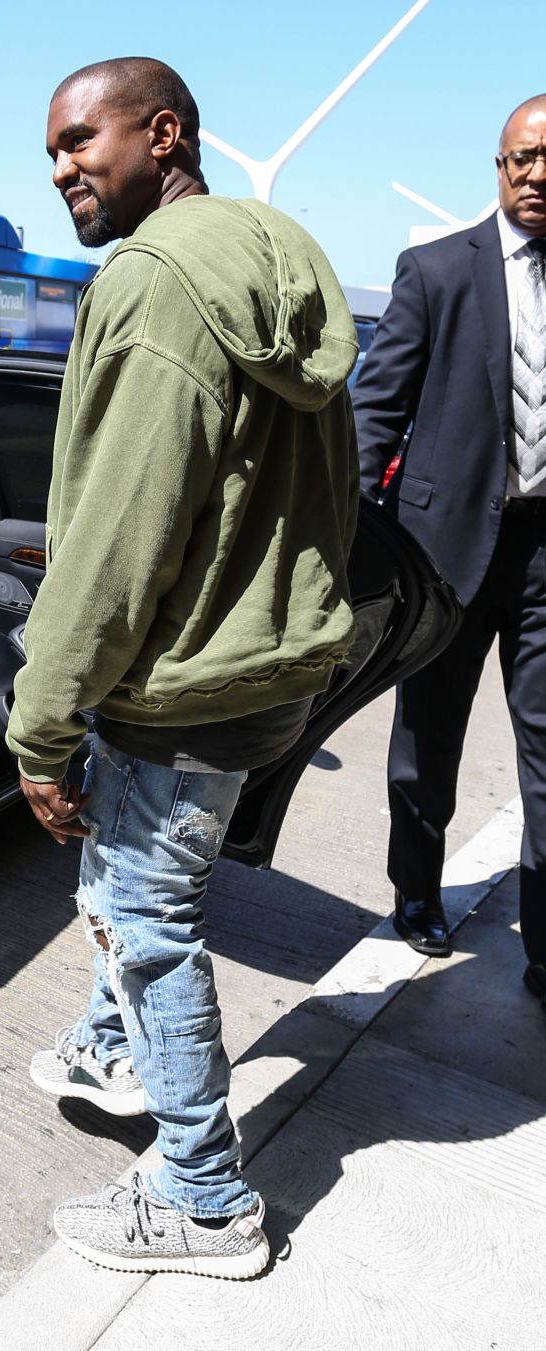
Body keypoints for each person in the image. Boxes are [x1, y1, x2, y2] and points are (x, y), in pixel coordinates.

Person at [7, 56, 360, 1278]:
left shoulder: (154, 286)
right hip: (272, 674)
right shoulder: (273, 249)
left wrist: (41, 728)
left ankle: (205, 1200)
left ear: (162, 135)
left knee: (142, 918)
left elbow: (117, 535)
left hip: (179, 691)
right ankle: (115, 1052)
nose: (61, 169)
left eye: (79, 142)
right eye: (51, 150)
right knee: (145, 899)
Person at [352, 96, 546, 1001]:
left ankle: (544, 940)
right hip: (445, 550)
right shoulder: (435, 271)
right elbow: (375, 408)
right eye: (520, 159)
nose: (535, 174)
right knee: (429, 738)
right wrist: (350, 538)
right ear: (497, 167)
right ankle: (416, 890)